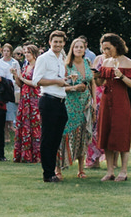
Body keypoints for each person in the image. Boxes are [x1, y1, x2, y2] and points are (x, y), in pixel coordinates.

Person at [94, 34, 131, 182]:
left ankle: (124, 171)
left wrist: (122, 76)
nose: (106, 51)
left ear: (116, 46)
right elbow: (100, 82)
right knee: (106, 134)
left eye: (108, 48)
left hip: (121, 102)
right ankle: (110, 171)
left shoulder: (128, 62)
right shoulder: (105, 61)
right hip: (107, 101)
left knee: (121, 135)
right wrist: (95, 75)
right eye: (104, 48)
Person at [33, 31, 69, 182]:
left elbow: (60, 80)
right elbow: (36, 80)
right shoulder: (43, 58)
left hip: (61, 100)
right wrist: (56, 81)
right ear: (50, 42)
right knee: (48, 138)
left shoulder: (62, 59)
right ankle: (47, 173)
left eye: (60, 42)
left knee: (56, 139)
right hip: (48, 100)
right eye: (55, 42)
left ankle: (53, 171)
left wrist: (65, 81)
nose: (58, 44)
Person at [61, 37, 95, 179]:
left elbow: (92, 82)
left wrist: (94, 101)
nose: (79, 49)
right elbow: (61, 85)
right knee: (66, 134)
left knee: (83, 135)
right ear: (72, 49)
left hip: (85, 104)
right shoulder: (66, 65)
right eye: (76, 47)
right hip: (70, 103)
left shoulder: (88, 62)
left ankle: (81, 169)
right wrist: (74, 87)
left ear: (85, 49)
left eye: (81, 47)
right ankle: (59, 168)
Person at [13, 45, 42, 164]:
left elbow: (36, 83)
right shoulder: (25, 67)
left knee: (34, 125)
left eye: (28, 53)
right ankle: (24, 154)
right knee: (24, 125)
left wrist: (22, 79)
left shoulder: (38, 67)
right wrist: (16, 75)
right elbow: (21, 84)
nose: (26, 55)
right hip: (24, 99)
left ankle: (36, 154)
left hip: (34, 99)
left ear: (34, 54)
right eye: (25, 53)